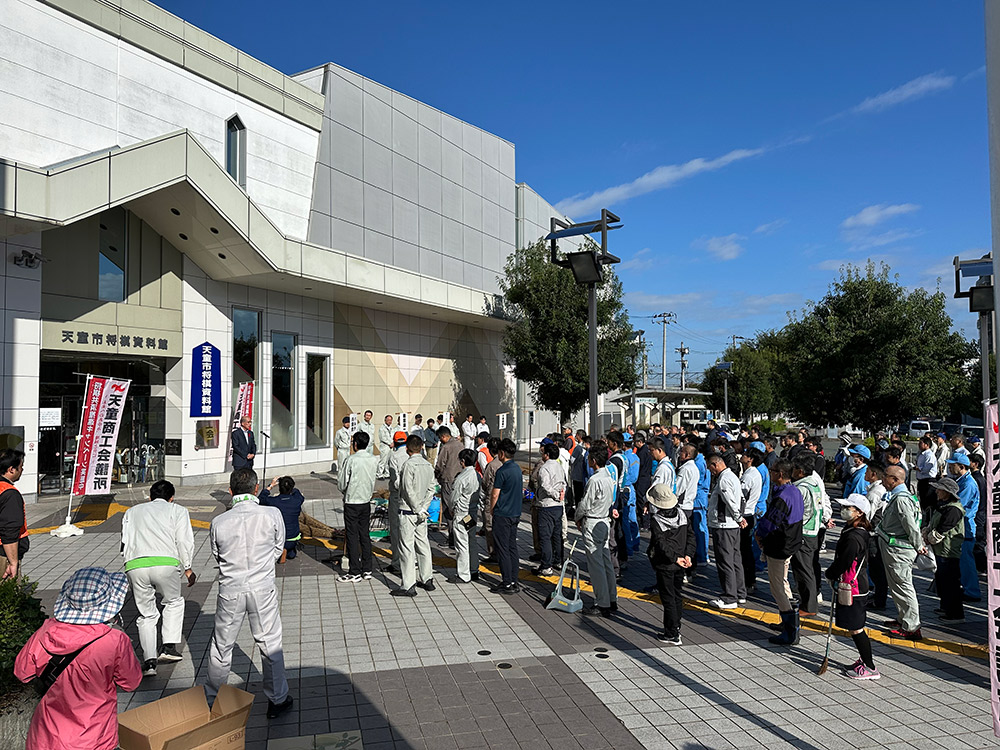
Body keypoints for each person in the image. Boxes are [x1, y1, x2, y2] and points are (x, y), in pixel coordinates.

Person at [15, 567, 142, 750]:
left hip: (46, 737)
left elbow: (22, 673)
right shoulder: (114, 640)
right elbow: (131, 682)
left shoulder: (46, 631)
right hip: (95, 737)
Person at [207, 468, 293, 718]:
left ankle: (214, 701)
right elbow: (279, 548)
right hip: (262, 587)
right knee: (270, 644)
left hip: (230, 589)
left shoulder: (219, 522)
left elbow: (217, 554)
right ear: (256, 489)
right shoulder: (272, 514)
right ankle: (277, 700)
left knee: (222, 646)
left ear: (231, 491)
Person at [120, 479, 195, 675]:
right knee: (173, 602)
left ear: (150, 496)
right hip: (165, 563)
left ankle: (150, 661)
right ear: (171, 498)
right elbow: (184, 540)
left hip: (135, 564)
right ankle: (169, 648)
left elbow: (125, 541)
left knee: (147, 614)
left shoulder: (131, 512)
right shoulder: (177, 510)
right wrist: (187, 568)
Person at [825, 495, 878, 680]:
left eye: (849, 507)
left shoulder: (855, 536)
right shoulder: (853, 529)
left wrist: (829, 574)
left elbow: (844, 561)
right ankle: (864, 660)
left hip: (854, 586)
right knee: (855, 626)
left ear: (859, 512)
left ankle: (870, 667)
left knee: (856, 628)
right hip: (854, 583)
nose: (844, 509)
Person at [756, 459, 804, 646]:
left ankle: (790, 631)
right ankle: (789, 622)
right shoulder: (794, 490)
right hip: (790, 543)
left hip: (780, 545)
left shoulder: (783, 496)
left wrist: (759, 535)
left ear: (781, 474)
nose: (771, 473)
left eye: (773, 470)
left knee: (777, 587)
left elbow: (770, 523)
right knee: (782, 582)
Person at [877, 465, 925, 640]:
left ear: (895, 480)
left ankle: (912, 626)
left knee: (903, 587)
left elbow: (911, 526)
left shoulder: (901, 499)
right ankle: (903, 618)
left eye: (886, 477)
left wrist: (919, 545)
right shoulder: (902, 496)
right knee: (896, 586)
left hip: (899, 550)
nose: (883, 479)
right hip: (894, 547)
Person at [646, 483, 693, 645]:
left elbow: (661, 544)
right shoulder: (682, 514)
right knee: (677, 595)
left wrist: (673, 558)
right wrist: (687, 555)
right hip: (681, 562)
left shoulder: (656, 520)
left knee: (668, 598)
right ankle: (676, 626)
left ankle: (672, 633)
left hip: (666, 564)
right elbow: (691, 536)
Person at [575, 442, 618, 617]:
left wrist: (577, 516)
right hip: (604, 521)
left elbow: (585, 504)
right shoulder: (609, 477)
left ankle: (602, 602)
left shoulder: (594, 480)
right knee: (605, 561)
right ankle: (612, 597)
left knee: (596, 564)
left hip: (592, 521)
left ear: (593, 460)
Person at [392, 434, 436, 596]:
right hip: (421, 513)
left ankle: (408, 585)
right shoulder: (427, 465)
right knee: (423, 544)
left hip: (408, 511)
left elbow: (406, 489)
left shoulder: (408, 465)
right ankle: (427, 578)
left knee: (406, 547)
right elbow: (432, 488)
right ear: (422, 447)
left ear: (408, 448)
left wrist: (417, 508)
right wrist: (424, 507)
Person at [922, 476, 966, 623]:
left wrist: (928, 538)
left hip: (948, 551)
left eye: (939, 490)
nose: (937, 492)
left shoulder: (954, 509)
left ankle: (955, 614)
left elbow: (942, 530)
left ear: (947, 492)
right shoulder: (943, 505)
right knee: (942, 580)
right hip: (941, 550)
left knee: (951, 582)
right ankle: (946, 607)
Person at [338, 431, 379, 582]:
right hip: (366, 501)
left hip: (352, 501)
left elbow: (342, 482)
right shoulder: (373, 459)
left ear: (355, 444)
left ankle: (354, 571)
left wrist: (345, 491)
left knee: (352, 535)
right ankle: (367, 569)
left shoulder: (351, 460)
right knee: (365, 535)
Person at [706, 454, 745, 609]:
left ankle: (729, 597)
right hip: (732, 525)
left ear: (715, 464)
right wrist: (739, 517)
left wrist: (738, 517)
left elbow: (729, 500)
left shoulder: (723, 479)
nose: (709, 471)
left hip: (724, 525)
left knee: (725, 561)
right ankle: (740, 593)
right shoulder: (733, 477)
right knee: (735, 560)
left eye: (709, 467)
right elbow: (741, 499)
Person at [791, 454, 824, 616]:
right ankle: (806, 602)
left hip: (804, 532)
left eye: (794, 468)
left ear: (801, 471)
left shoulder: (801, 488)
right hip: (813, 531)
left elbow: (796, 514)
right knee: (806, 568)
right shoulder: (814, 484)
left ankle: (809, 606)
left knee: (804, 570)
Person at [946, 452, 981, 602]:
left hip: (965, 528)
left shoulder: (967, 484)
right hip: (961, 528)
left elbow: (959, 506)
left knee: (967, 562)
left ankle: (972, 592)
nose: (949, 466)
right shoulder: (961, 481)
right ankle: (968, 589)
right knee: (963, 562)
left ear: (961, 466)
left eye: (952, 464)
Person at [490, 438, 523, 594]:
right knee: (512, 547)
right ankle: (514, 580)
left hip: (502, 514)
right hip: (515, 513)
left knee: (502, 549)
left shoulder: (502, 471)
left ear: (502, 453)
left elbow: (495, 494)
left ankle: (507, 582)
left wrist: (491, 509)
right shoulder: (517, 469)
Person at [535, 442, 566, 576]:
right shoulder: (560, 467)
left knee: (545, 536)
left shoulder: (544, 468)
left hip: (547, 505)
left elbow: (545, 486)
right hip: (559, 506)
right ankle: (558, 560)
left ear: (547, 455)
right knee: (557, 535)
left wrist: (554, 494)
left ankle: (546, 565)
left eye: (543, 453)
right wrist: (561, 494)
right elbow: (564, 483)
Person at [450, 449, 481, 584]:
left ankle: (463, 574)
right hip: (472, 513)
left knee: (461, 544)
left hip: (461, 513)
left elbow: (453, 497)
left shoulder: (461, 477)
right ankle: (474, 569)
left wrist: (451, 509)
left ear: (463, 462)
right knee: (471, 541)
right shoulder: (477, 475)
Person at [260, 476, 306, 563]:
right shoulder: (297, 500)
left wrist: (270, 486)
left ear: (279, 488)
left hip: (277, 539)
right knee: (291, 552)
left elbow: (260, 499)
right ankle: (289, 551)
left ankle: (282, 550)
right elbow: (297, 493)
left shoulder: (273, 501)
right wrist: (290, 486)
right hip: (293, 537)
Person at [384, 430, 410, 575]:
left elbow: (395, 481)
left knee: (396, 529)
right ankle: (411, 560)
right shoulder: (411, 455)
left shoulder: (393, 456)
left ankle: (397, 562)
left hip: (397, 496)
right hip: (412, 497)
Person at [0, 448, 28, 580]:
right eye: (21, 467)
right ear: (11, 469)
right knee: (8, 596)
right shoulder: (9, 494)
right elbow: (9, 529)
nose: (22, 470)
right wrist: (13, 562)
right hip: (4, 554)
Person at [738, 448, 763, 596]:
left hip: (745, 514)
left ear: (751, 459)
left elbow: (741, 495)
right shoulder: (751, 474)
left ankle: (748, 581)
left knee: (744, 550)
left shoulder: (750, 476)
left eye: (746, 455)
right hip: (749, 513)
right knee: (746, 549)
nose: (743, 456)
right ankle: (749, 580)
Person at [675, 444, 701, 580]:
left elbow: (678, 488)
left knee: (682, 540)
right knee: (689, 538)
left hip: (682, 506)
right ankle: (692, 569)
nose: (680, 454)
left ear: (687, 455)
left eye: (682, 452)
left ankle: (685, 571)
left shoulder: (685, 469)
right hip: (689, 506)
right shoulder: (694, 468)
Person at [435, 425, 463, 527]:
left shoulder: (446, 447)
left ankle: (451, 534)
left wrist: (437, 476)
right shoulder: (460, 445)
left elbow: (439, 465)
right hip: (460, 478)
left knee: (448, 506)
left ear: (443, 436)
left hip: (448, 479)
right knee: (458, 505)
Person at [971, 453, 988, 573]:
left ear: (976, 464)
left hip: (978, 514)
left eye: (970, 461)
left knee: (978, 542)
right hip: (979, 513)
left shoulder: (977, 479)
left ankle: (982, 567)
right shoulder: (976, 478)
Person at [915, 435, 938, 514]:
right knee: (922, 500)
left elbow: (926, 469)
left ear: (927, 445)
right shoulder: (921, 454)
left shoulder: (929, 455)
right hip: (921, 480)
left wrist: (916, 468)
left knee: (928, 501)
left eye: (921, 443)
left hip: (928, 480)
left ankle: (928, 518)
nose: (919, 445)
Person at [634, 432, 653, 528]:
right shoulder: (645, 451)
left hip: (642, 477)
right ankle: (644, 521)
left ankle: (645, 522)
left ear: (640, 442)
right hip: (645, 477)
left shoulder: (642, 452)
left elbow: (639, 465)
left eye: (635, 442)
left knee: (641, 500)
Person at [376, 414, 394, 479]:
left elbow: (393, 437)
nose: (389, 421)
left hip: (391, 446)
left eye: (390, 420)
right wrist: (390, 443)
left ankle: (387, 473)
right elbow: (382, 437)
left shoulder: (392, 428)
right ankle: (379, 474)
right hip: (385, 446)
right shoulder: (382, 428)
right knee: (383, 460)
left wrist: (393, 443)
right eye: (388, 420)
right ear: (385, 420)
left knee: (389, 460)